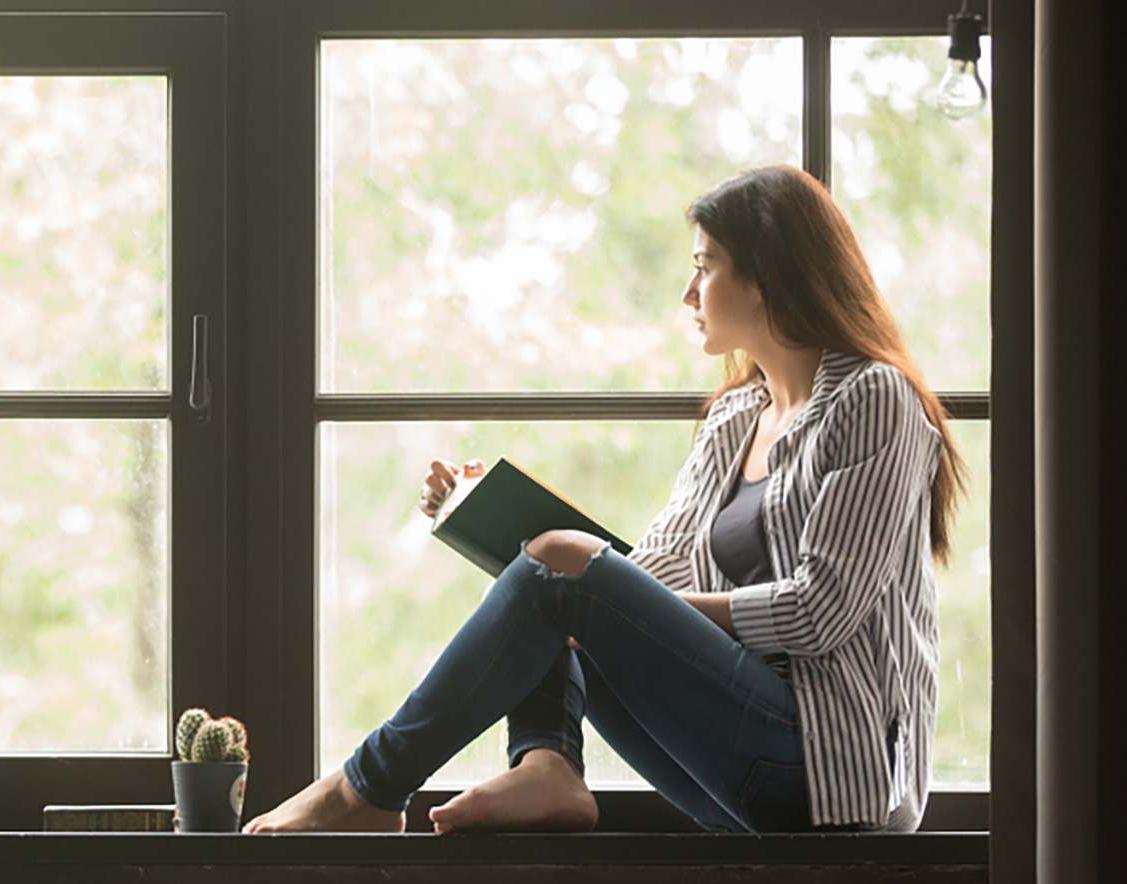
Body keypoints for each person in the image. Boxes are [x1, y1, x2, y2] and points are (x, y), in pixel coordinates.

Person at [245, 164, 966, 836]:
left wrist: (591, 585)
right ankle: (547, 762)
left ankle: (363, 791)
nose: (689, 293)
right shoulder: (736, 416)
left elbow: (820, 612)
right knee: (553, 563)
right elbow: (649, 575)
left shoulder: (873, 398)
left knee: (566, 569)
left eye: (704, 266)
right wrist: (492, 524)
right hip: (738, 758)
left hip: (831, 774)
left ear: (767, 276)